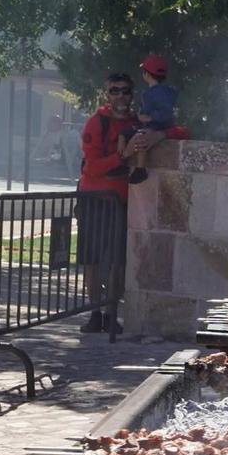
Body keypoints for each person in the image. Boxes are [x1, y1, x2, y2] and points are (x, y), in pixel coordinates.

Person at [77, 73, 137, 334]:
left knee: (118, 262)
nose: (120, 96)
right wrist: (120, 157)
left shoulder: (138, 123)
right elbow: (92, 167)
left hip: (122, 204)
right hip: (94, 201)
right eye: (115, 91)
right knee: (91, 261)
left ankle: (112, 312)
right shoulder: (96, 124)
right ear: (107, 94)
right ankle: (95, 313)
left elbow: (177, 131)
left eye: (125, 91)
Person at [117, 53, 178, 184]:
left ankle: (140, 168)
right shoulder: (156, 92)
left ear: (146, 74)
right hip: (146, 124)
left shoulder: (159, 93)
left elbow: (165, 114)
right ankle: (121, 162)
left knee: (140, 138)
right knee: (124, 134)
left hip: (156, 126)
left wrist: (149, 118)